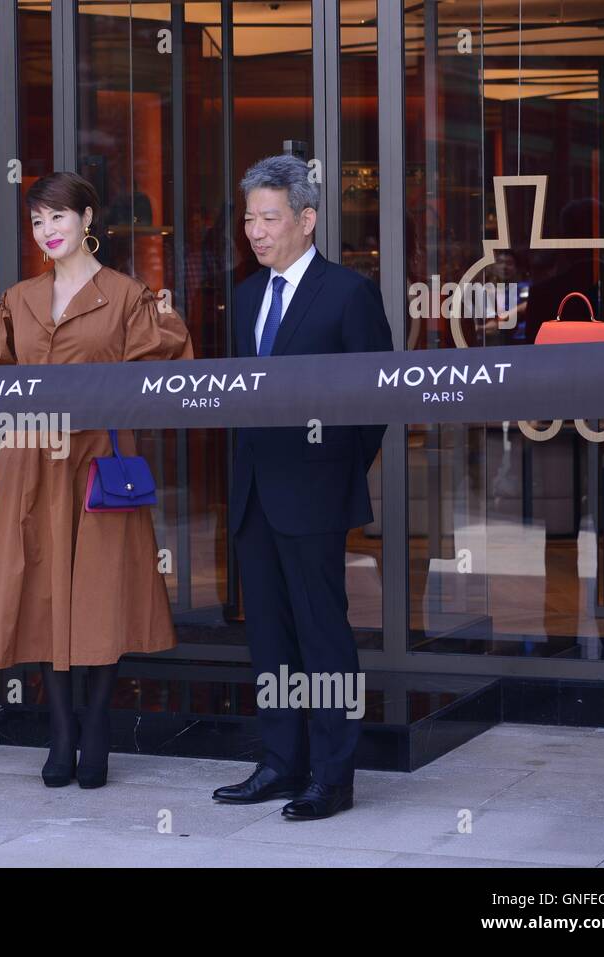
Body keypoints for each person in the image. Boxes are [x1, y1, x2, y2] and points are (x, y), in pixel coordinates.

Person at [0, 171, 193, 789]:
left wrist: (170, 326)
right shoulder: (17, 299)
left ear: (88, 219)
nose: (47, 230)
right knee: (45, 588)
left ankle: (96, 725)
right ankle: (62, 732)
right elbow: (0, 380)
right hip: (31, 461)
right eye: (37, 220)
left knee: (100, 590)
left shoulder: (129, 295)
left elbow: (162, 376)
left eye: (58, 217)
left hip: (99, 460)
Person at [212, 155, 393, 819]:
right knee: (270, 637)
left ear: (307, 218)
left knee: (323, 636)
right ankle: (280, 762)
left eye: (269, 217)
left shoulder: (348, 292)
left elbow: (373, 400)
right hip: (255, 492)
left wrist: (337, 474)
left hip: (314, 493)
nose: (255, 231)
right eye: (249, 218)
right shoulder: (246, 295)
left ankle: (333, 774)